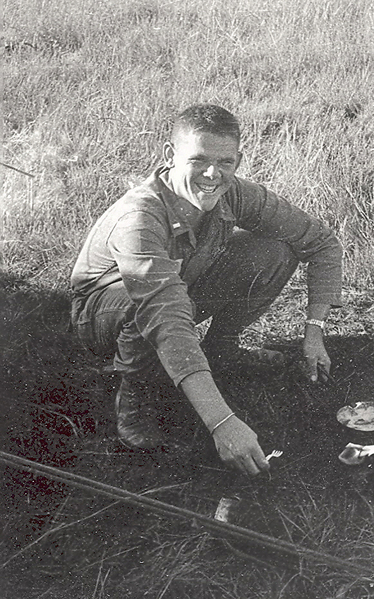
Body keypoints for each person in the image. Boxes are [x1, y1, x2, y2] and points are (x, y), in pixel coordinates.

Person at [71, 104, 342, 477]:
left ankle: (221, 351)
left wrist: (314, 334)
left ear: (238, 161)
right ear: (170, 156)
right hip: (105, 316)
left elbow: (321, 242)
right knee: (147, 308)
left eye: (225, 162)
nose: (212, 174)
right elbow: (163, 313)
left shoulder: (236, 193)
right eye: (198, 160)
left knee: (275, 251)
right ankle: (134, 395)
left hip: (178, 292)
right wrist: (222, 422)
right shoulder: (140, 217)